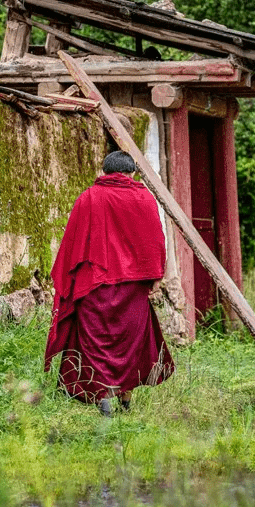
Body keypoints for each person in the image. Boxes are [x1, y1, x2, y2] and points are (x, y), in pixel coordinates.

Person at [44, 150, 175, 416]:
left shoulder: (89, 198)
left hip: (95, 287)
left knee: (97, 344)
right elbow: (155, 243)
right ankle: (126, 402)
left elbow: (71, 246)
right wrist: (155, 279)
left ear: (104, 172)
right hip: (133, 289)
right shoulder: (144, 199)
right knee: (130, 345)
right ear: (132, 173)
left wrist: (67, 284)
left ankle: (103, 397)